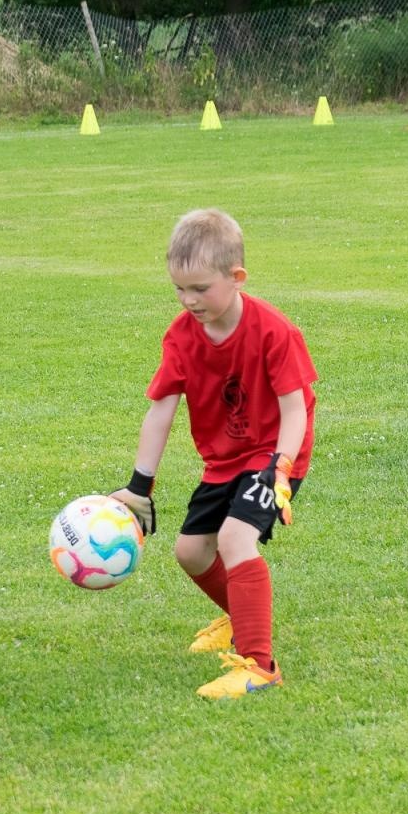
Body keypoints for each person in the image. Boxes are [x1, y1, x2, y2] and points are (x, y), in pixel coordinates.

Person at [112, 209, 317, 699]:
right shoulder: (181, 336)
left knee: (234, 538)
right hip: (224, 460)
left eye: (200, 289)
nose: (189, 300)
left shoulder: (274, 331)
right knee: (190, 551)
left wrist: (281, 470)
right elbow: (160, 411)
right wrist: (140, 487)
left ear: (236, 277)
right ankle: (239, 617)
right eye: (179, 289)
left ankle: (260, 665)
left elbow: (295, 410)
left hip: (273, 456)